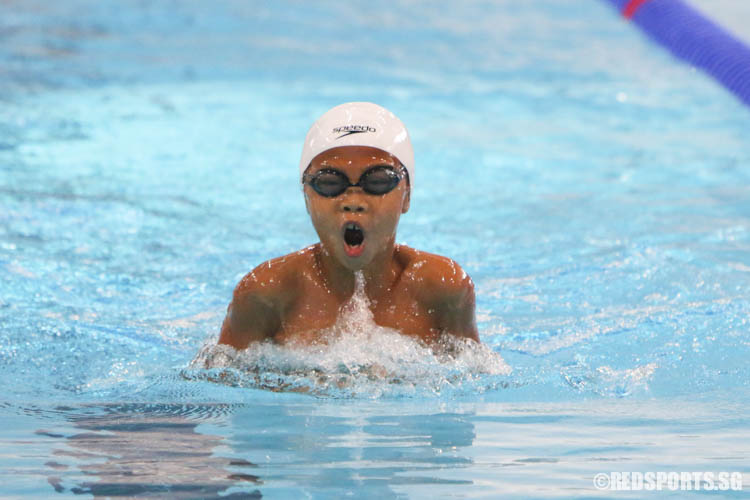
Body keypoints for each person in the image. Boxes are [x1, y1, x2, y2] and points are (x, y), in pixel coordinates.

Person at [218, 102, 479, 350]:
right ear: (307, 198)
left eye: (378, 181)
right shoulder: (267, 293)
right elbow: (216, 386)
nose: (353, 201)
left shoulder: (443, 289)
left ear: (407, 196)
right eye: (330, 183)